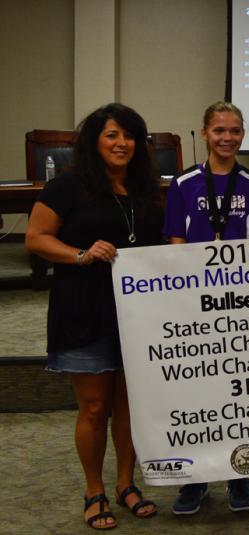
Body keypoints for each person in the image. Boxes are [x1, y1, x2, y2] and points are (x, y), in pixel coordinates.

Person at [25, 103, 162, 530]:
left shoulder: (146, 188)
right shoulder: (69, 186)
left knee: (128, 406)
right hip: (83, 309)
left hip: (137, 316)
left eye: (129, 136)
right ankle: (93, 489)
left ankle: (126, 483)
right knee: (94, 406)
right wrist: (80, 255)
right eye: (112, 135)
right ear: (94, 141)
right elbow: (35, 238)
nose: (122, 144)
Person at [163, 101, 249, 514]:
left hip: (242, 306)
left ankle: (239, 474)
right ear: (204, 133)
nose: (227, 138)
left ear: (243, 134)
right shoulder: (184, 184)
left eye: (235, 131)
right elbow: (175, 242)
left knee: (239, 394)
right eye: (219, 130)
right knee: (198, 394)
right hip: (197, 307)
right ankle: (195, 478)